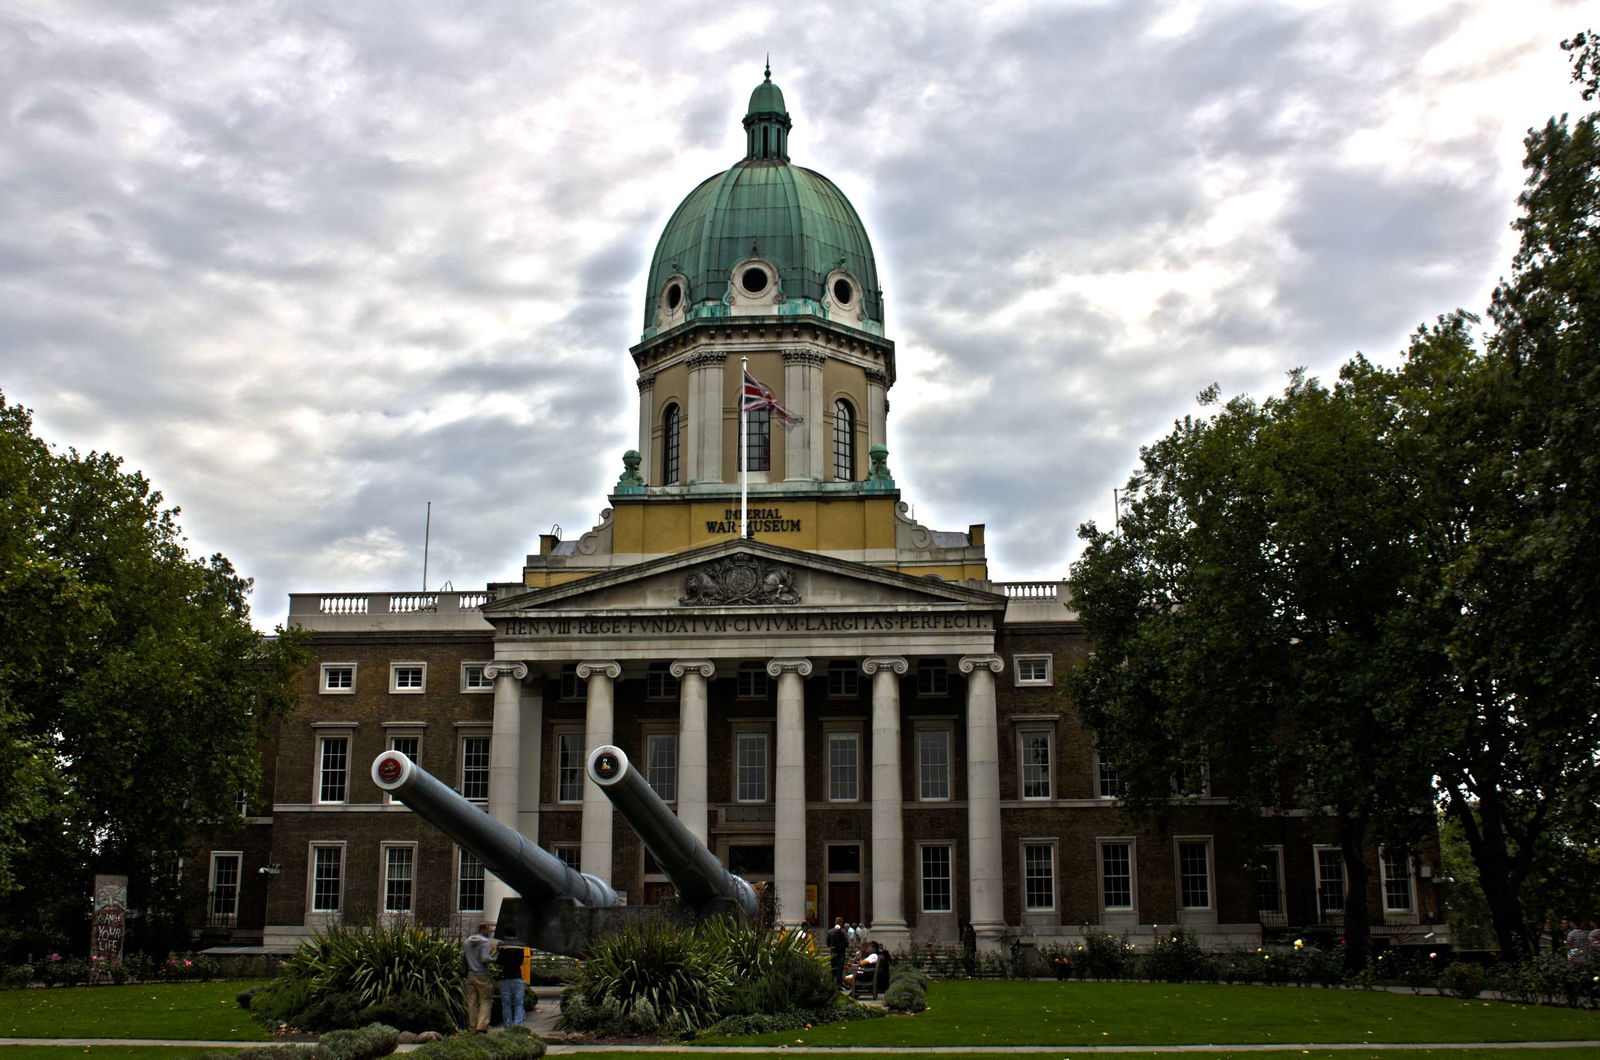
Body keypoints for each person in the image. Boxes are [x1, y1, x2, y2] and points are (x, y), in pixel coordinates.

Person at [462, 921, 497, 1033]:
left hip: (470, 974)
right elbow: (484, 958)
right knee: (485, 1000)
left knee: (472, 1002)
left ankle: (472, 1026)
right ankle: (482, 1026)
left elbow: (463, 957)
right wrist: (495, 959)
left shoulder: (466, 942)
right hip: (482, 975)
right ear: (483, 929)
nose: (489, 931)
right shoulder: (485, 943)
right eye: (488, 929)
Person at [495, 932, 529, 1028]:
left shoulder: (503, 946)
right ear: (516, 935)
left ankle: (508, 1025)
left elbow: (499, 961)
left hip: (505, 977)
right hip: (517, 977)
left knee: (506, 1004)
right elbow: (521, 962)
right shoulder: (520, 945)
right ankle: (518, 1025)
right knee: (519, 1003)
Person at [826, 917, 848, 986]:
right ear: (841, 923)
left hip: (833, 952)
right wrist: (844, 947)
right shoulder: (843, 931)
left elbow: (828, 943)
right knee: (840, 969)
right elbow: (846, 942)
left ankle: (832, 984)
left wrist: (832, 947)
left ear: (835, 922)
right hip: (841, 953)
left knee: (833, 969)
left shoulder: (830, 931)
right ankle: (838, 984)